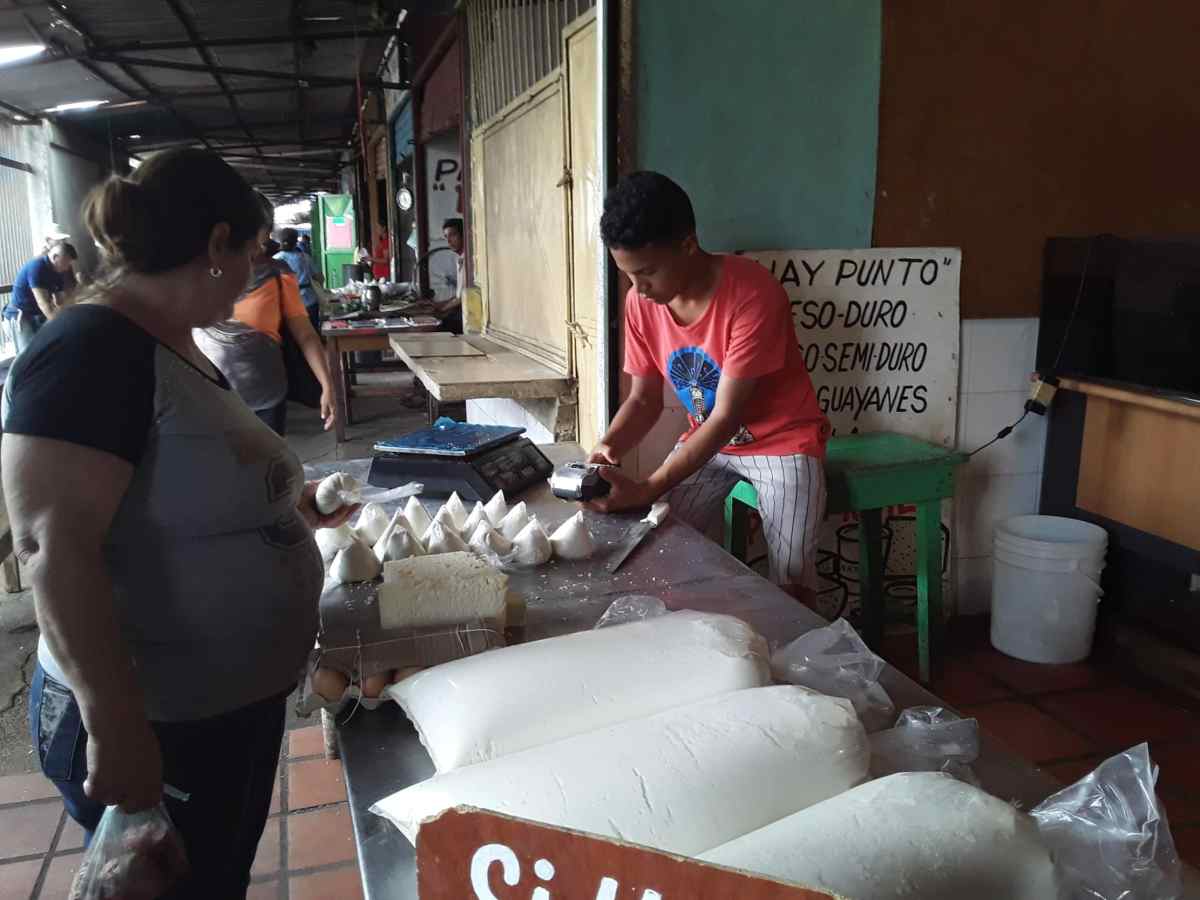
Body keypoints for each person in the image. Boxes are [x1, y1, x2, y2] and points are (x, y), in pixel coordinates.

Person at [1, 148, 356, 898]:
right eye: (252, 252)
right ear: (218, 243)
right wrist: (115, 725)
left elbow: (175, 485)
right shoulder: (88, 350)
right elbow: (51, 546)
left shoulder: (169, 338)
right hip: (155, 721)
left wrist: (286, 503)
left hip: (213, 709)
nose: (254, 273)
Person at [586, 171, 830, 603]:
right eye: (628, 276)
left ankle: (795, 641)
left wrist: (648, 486)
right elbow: (643, 400)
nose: (639, 289)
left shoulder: (752, 294)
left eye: (648, 272)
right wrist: (610, 446)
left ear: (687, 245)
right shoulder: (641, 303)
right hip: (709, 441)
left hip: (781, 443)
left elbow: (726, 416)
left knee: (791, 578)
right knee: (655, 541)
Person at [195, 196, 335, 436]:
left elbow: (305, 335)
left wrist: (327, 383)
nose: (255, 250)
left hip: (266, 398)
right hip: (205, 399)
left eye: (258, 240)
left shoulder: (277, 274)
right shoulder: (194, 274)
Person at [4, 242, 78, 352]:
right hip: (19, 315)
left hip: (36, 315)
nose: (67, 268)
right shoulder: (37, 267)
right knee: (27, 354)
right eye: (66, 263)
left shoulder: (58, 272)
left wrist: (71, 317)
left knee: (44, 349)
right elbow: (43, 303)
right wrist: (61, 325)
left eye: (69, 264)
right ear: (55, 257)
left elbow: (61, 301)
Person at [274, 227, 320, 331]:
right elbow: (320, 278)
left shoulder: (275, 259)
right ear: (296, 242)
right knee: (312, 331)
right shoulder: (305, 257)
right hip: (309, 301)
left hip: (286, 304)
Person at [434, 217, 466, 334]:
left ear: (463, 235)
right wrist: (438, 305)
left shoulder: (469, 259)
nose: (449, 241)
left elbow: (462, 298)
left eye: (453, 235)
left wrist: (441, 309)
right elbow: (458, 295)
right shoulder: (460, 259)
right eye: (446, 237)